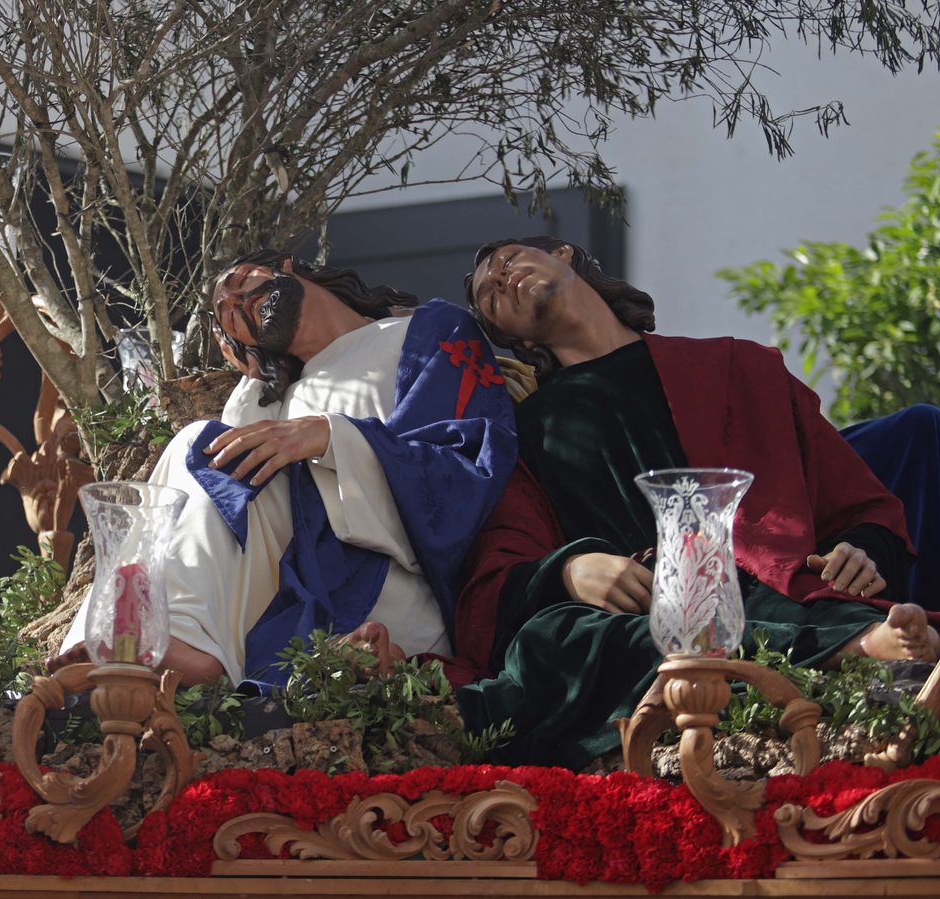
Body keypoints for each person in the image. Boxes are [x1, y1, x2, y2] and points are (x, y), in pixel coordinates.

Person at [454, 235, 940, 769]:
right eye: (490, 296)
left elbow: (859, 501)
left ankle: (855, 646)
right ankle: (852, 649)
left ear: (564, 254)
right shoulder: (523, 435)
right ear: (509, 337)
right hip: (645, 616)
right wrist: (571, 569)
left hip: (761, 589)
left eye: (505, 262)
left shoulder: (735, 366)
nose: (502, 279)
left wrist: (862, 549)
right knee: (550, 643)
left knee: (744, 612)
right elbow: (497, 571)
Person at [52, 251, 519, 687]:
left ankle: (184, 639)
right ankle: (130, 629)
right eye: (226, 316)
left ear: (290, 267)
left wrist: (330, 437)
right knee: (194, 446)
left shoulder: (420, 332)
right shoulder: (282, 397)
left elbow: (466, 465)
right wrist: (256, 382)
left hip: (372, 576)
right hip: (287, 566)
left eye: (240, 283)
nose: (235, 302)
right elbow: (219, 505)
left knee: (201, 443)